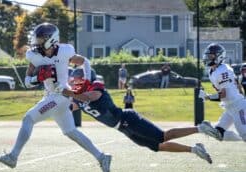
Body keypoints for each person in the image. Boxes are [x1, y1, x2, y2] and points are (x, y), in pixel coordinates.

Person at [0, 22, 111, 172]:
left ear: (51, 39)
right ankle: (102, 157)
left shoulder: (65, 51)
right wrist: (38, 77)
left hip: (61, 96)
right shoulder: (34, 55)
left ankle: (13, 156)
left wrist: (87, 82)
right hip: (51, 96)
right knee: (71, 131)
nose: (37, 43)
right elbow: (27, 82)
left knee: (28, 118)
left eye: (41, 39)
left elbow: (85, 62)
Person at [58, 67, 223, 164]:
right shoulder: (78, 96)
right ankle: (194, 149)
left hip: (128, 120)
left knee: (163, 136)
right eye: (72, 81)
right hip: (122, 128)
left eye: (76, 80)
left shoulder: (96, 87)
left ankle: (201, 128)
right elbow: (67, 108)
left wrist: (67, 93)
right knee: (157, 146)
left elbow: (89, 97)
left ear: (86, 79)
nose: (73, 83)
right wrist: (54, 99)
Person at [199, 43, 246, 142]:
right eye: (207, 55)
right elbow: (237, 86)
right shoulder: (212, 71)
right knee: (217, 133)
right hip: (229, 106)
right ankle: (240, 139)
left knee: (245, 133)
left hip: (237, 105)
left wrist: (207, 97)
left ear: (219, 56)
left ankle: (242, 137)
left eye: (211, 56)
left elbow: (224, 94)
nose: (208, 58)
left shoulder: (223, 70)